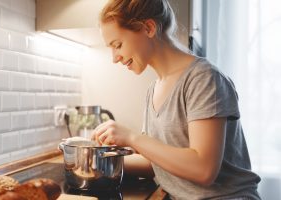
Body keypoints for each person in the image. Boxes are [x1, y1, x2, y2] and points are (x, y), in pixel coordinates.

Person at [91, 0, 261, 199]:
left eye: (117, 45)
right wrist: (96, 161)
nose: (114, 58)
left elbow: (203, 169)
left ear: (148, 27)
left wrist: (131, 137)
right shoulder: (153, 90)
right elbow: (156, 164)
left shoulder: (203, 78)